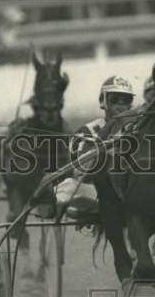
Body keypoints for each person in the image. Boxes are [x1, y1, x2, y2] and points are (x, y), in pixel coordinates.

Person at [54, 75, 137, 219]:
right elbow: (81, 171)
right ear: (103, 102)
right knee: (66, 187)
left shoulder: (138, 128)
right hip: (97, 192)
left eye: (126, 100)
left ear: (131, 105)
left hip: (132, 191)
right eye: (114, 99)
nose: (120, 105)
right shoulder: (87, 131)